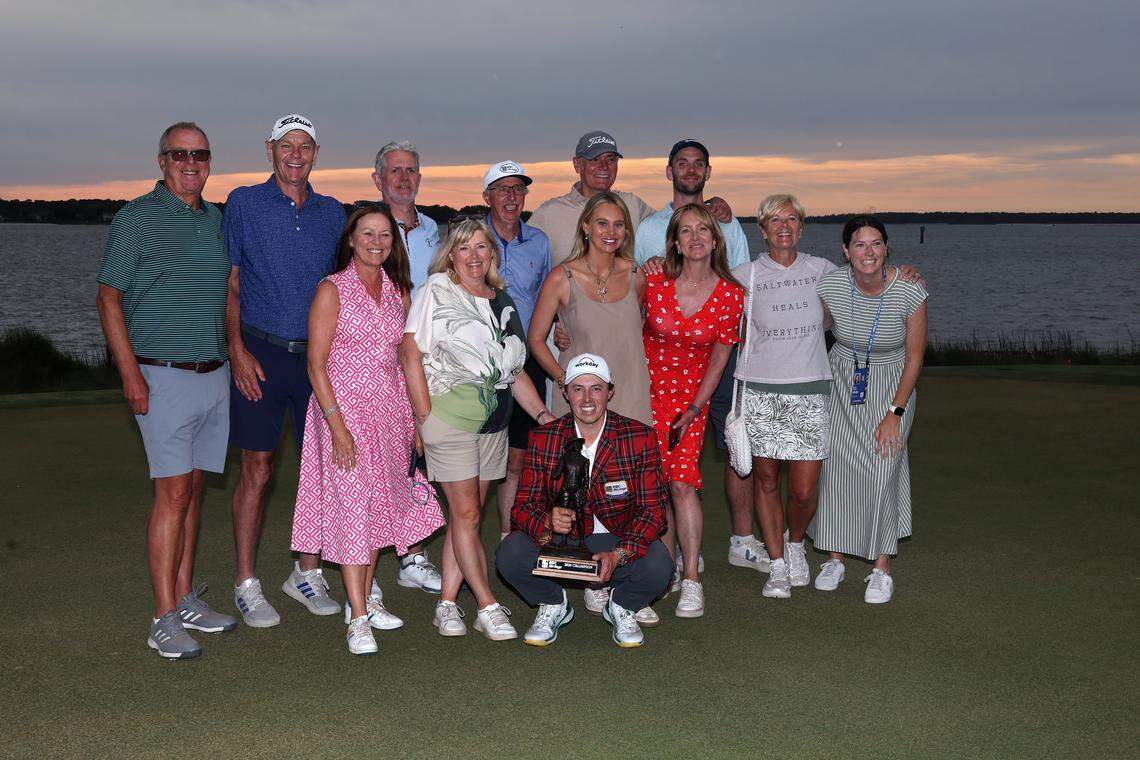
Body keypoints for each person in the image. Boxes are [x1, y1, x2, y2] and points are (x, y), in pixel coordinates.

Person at [96, 121, 235, 659]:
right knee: (173, 493)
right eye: (180, 154)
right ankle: (162, 618)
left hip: (212, 373)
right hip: (161, 373)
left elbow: (226, 294)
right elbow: (109, 297)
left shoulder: (213, 218)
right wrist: (129, 372)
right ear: (162, 161)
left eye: (200, 154)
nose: (191, 162)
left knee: (196, 487)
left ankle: (183, 599)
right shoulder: (140, 215)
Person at [291, 205, 445, 655]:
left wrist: (416, 421)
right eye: (368, 234)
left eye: (384, 235)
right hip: (343, 414)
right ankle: (357, 616)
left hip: (390, 414)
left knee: (379, 508)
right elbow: (315, 365)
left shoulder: (399, 291)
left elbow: (405, 359)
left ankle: (365, 602)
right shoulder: (331, 290)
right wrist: (337, 427)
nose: (377, 242)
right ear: (351, 240)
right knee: (354, 508)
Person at [399, 219, 555, 640]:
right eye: (464, 248)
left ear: (493, 255)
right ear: (451, 254)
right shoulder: (436, 290)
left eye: (482, 247)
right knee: (466, 514)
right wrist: (422, 415)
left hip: (495, 424)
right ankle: (487, 604)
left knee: (466, 517)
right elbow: (409, 352)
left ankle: (447, 605)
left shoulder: (502, 301)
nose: (473, 256)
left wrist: (542, 416)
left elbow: (514, 370)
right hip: (449, 419)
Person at [224, 114, 346, 627]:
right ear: (270, 151)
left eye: (305, 147)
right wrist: (236, 349)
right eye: (286, 146)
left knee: (319, 470)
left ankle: (305, 572)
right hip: (261, 352)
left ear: (316, 154)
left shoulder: (334, 212)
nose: (295, 155)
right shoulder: (243, 203)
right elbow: (230, 281)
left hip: (317, 358)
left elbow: (346, 287)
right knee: (258, 468)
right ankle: (246, 583)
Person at [527, 191, 660, 625]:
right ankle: (589, 577)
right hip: (582, 401)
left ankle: (624, 579)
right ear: (585, 226)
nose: (610, 233)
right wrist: (565, 381)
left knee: (631, 489)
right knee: (578, 484)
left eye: (619, 225)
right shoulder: (562, 278)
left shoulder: (639, 275)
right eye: (602, 223)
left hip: (632, 393)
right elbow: (536, 339)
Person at [635, 138, 765, 578]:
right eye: (682, 164)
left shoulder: (728, 226)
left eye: (698, 164)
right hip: (655, 372)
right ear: (668, 171)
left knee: (731, 449)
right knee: (656, 474)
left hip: (713, 364)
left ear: (708, 172)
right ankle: (664, 559)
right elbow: (631, 293)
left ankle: (741, 540)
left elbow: (744, 285)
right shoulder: (649, 227)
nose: (690, 170)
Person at [496, 354, 672, 648]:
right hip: (565, 543)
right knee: (510, 553)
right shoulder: (544, 438)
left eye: (596, 388)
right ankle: (553, 603)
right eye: (578, 389)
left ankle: (623, 605)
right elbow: (521, 509)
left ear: (610, 392)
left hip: (617, 541)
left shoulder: (639, 436)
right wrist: (548, 521)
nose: (587, 398)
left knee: (660, 565)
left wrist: (619, 553)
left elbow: (654, 512)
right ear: (565, 394)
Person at [809, 215, 928, 604]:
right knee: (838, 469)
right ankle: (835, 558)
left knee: (882, 465)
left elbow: (915, 358)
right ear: (845, 252)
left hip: (894, 383)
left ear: (886, 248)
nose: (868, 252)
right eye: (859, 245)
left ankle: (881, 567)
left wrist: (895, 412)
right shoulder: (830, 285)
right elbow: (814, 324)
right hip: (844, 378)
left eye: (876, 243)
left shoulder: (910, 290)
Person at [733, 194, 837, 599]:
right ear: (762, 230)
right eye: (775, 220)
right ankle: (777, 564)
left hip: (810, 389)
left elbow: (867, 284)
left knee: (804, 490)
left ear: (801, 227)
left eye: (791, 219)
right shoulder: (745, 275)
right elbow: (697, 292)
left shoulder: (824, 271)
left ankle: (796, 544)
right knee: (767, 479)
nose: (784, 227)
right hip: (760, 390)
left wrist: (905, 274)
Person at [642, 203, 744, 618]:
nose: (696, 237)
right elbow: (620, 325)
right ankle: (659, 572)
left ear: (716, 239)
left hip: (691, 401)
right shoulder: (652, 283)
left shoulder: (731, 294)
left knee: (682, 485)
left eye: (704, 229)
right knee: (651, 486)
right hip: (643, 394)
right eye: (686, 231)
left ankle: (692, 581)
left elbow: (720, 361)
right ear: (675, 242)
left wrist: (695, 408)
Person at [371, 139, 445, 591]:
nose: (404, 178)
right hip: (380, 362)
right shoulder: (367, 227)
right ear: (378, 179)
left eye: (411, 170)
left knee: (416, 456)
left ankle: (412, 555)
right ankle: (366, 564)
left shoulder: (434, 229)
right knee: (376, 460)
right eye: (395, 171)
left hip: (427, 359)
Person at [478, 161, 553, 541]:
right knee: (478, 457)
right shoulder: (473, 238)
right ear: (487, 196)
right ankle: (468, 535)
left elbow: (548, 297)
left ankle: (509, 536)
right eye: (502, 189)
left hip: (525, 361)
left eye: (517, 189)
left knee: (518, 457)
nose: (511, 197)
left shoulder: (538, 241)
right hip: (480, 364)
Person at [529, 130, 735, 267]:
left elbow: (674, 220)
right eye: (594, 160)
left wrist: (712, 203)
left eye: (610, 160)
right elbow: (516, 255)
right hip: (567, 328)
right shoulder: (550, 213)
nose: (604, 167)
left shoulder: (631, 204)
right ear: (577, 165)